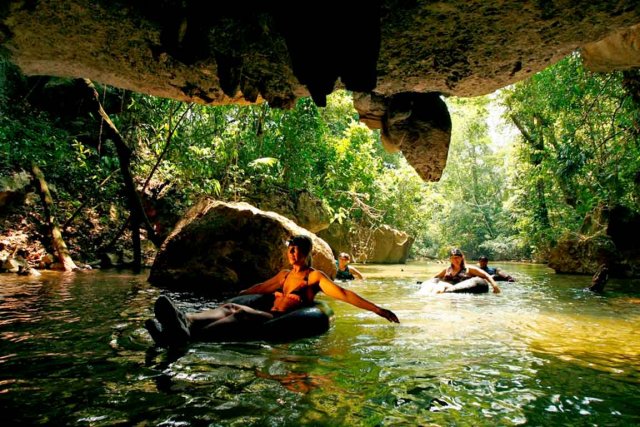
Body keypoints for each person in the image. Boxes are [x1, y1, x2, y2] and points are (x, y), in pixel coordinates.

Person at [145, 235, 399, 347]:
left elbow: (345, 294)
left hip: (279, 320)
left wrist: (378, 310)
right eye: (290, 249)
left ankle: (187, 337)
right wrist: (237, 294)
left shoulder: (314, 277)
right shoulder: (285, 275)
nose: (292, 253)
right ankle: (182, 320)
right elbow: (259, 288)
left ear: (307, 253)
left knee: (242, 314)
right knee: (234, 307)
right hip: (269, 313)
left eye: (297, 250)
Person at [431, 248, 501, 294]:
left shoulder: (469, 269)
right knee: (441, 284)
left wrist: (495, 286)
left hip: (462, 289)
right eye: (453, 258)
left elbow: (486, 275)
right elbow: (435, 278)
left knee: (442, 284)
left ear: (462, 258)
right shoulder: (447, 270)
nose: (455, 260)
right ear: (450, 259)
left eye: (457, 258)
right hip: (448, 290)